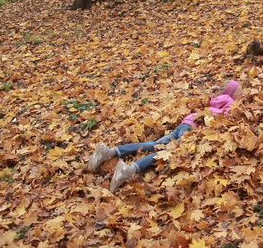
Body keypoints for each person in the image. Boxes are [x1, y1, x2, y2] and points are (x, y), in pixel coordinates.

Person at [88, 80, 243, 193]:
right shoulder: (230, 103)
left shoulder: (218, 100)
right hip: (192, 130)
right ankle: (128, 171)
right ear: (232, 93)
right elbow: (226, 119)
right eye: (240, 92)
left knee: (154, 144)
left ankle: (109, 152)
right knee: (168, 152)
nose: (242, 94)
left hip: (186, 123)